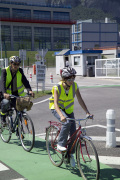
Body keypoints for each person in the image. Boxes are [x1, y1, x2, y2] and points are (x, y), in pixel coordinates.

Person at [49, 67, 93, 167]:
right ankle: (60, 144)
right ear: (64, 79)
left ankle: (70, 154)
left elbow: (80, 99)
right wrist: (61, 115)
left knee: (73, 134)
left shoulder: (75, 86)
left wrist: (87, 112)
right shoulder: (57, 87)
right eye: (69, 79)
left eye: (73, 78)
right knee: (66, 123)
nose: (72, 81)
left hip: (68, 111)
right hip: (57, 109)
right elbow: (55, 103)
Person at [0, 56, 34, 126]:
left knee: (19, 110)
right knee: (5, 103)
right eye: (14, 64)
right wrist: (4, 93)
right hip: (7, 94)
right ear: (11, 63)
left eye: (18, 64)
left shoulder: (20, 71)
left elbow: (25, 82)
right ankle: (3, 119)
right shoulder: (5, 71)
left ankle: (19, 129)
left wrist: (29, 90)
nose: (16, 66)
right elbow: (2, 83)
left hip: (16, 94)